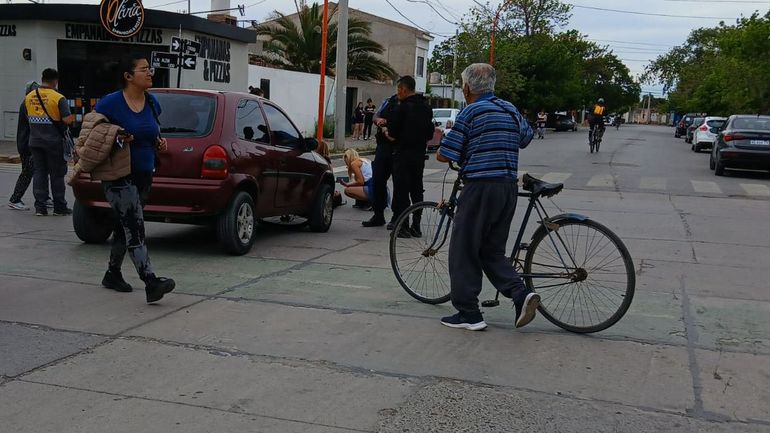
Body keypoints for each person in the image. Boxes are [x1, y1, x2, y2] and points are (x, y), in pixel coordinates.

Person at [436, 63, 539, 331]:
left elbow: (446, 153)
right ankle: (520, 294)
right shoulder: (510, 109)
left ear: (466, 88)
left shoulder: (471, 111)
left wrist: (444, 151)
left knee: (463, 249)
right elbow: (525, 138)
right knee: (491, 250)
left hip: (480, 187)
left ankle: (469, 313)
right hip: (507, 187)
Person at [91, 56, 175, 303]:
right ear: (128, 76)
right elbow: (92, 132)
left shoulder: (151, 102)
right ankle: (150, 281)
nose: (150, 73)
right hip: (118, 174)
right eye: (144, 70)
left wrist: (159, 142)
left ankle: (112, 273)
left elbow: (152, 131)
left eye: (150, 69)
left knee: (124, 224)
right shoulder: (110, 103)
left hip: (144, 173)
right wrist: (117, 136)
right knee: (135, 227)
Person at [385, 75, 434, 238]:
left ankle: (403, 226)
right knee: (417, 189)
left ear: (404, 89)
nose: (397, 92)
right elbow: (429, 133)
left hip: (403, 154)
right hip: (419, 155)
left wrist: (385, 131)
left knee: (401, 191)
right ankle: (417, 226)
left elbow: (392, 134)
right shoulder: (426, 107)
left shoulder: (402, 108)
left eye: (398, 89)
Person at [24, 68, 75, 216]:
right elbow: (67, 120)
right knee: (57, 174)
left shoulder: (29, 96)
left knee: (39, 172)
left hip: (35, 140)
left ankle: (40, 207)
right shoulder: (58, 98)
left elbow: (28, 116)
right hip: (54, 142)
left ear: (42, 79)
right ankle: (59, 207)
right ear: (55, 81)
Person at [8, 81, 49, 211]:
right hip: (27, 144)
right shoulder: (28, 104)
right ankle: (15, 199)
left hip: (29, 142)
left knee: (41, 170)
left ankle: (45, 197)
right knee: (28, 172)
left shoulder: (28, 103)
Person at [362, 94, 398, 228]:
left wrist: (388, 125)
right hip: (383, 147)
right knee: (378, 181)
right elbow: (375, 116)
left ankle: (397, 217)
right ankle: (378, 215)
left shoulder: (409, 105)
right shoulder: (388, 101)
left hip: (398, 148)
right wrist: (379, 121)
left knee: (399, 185)